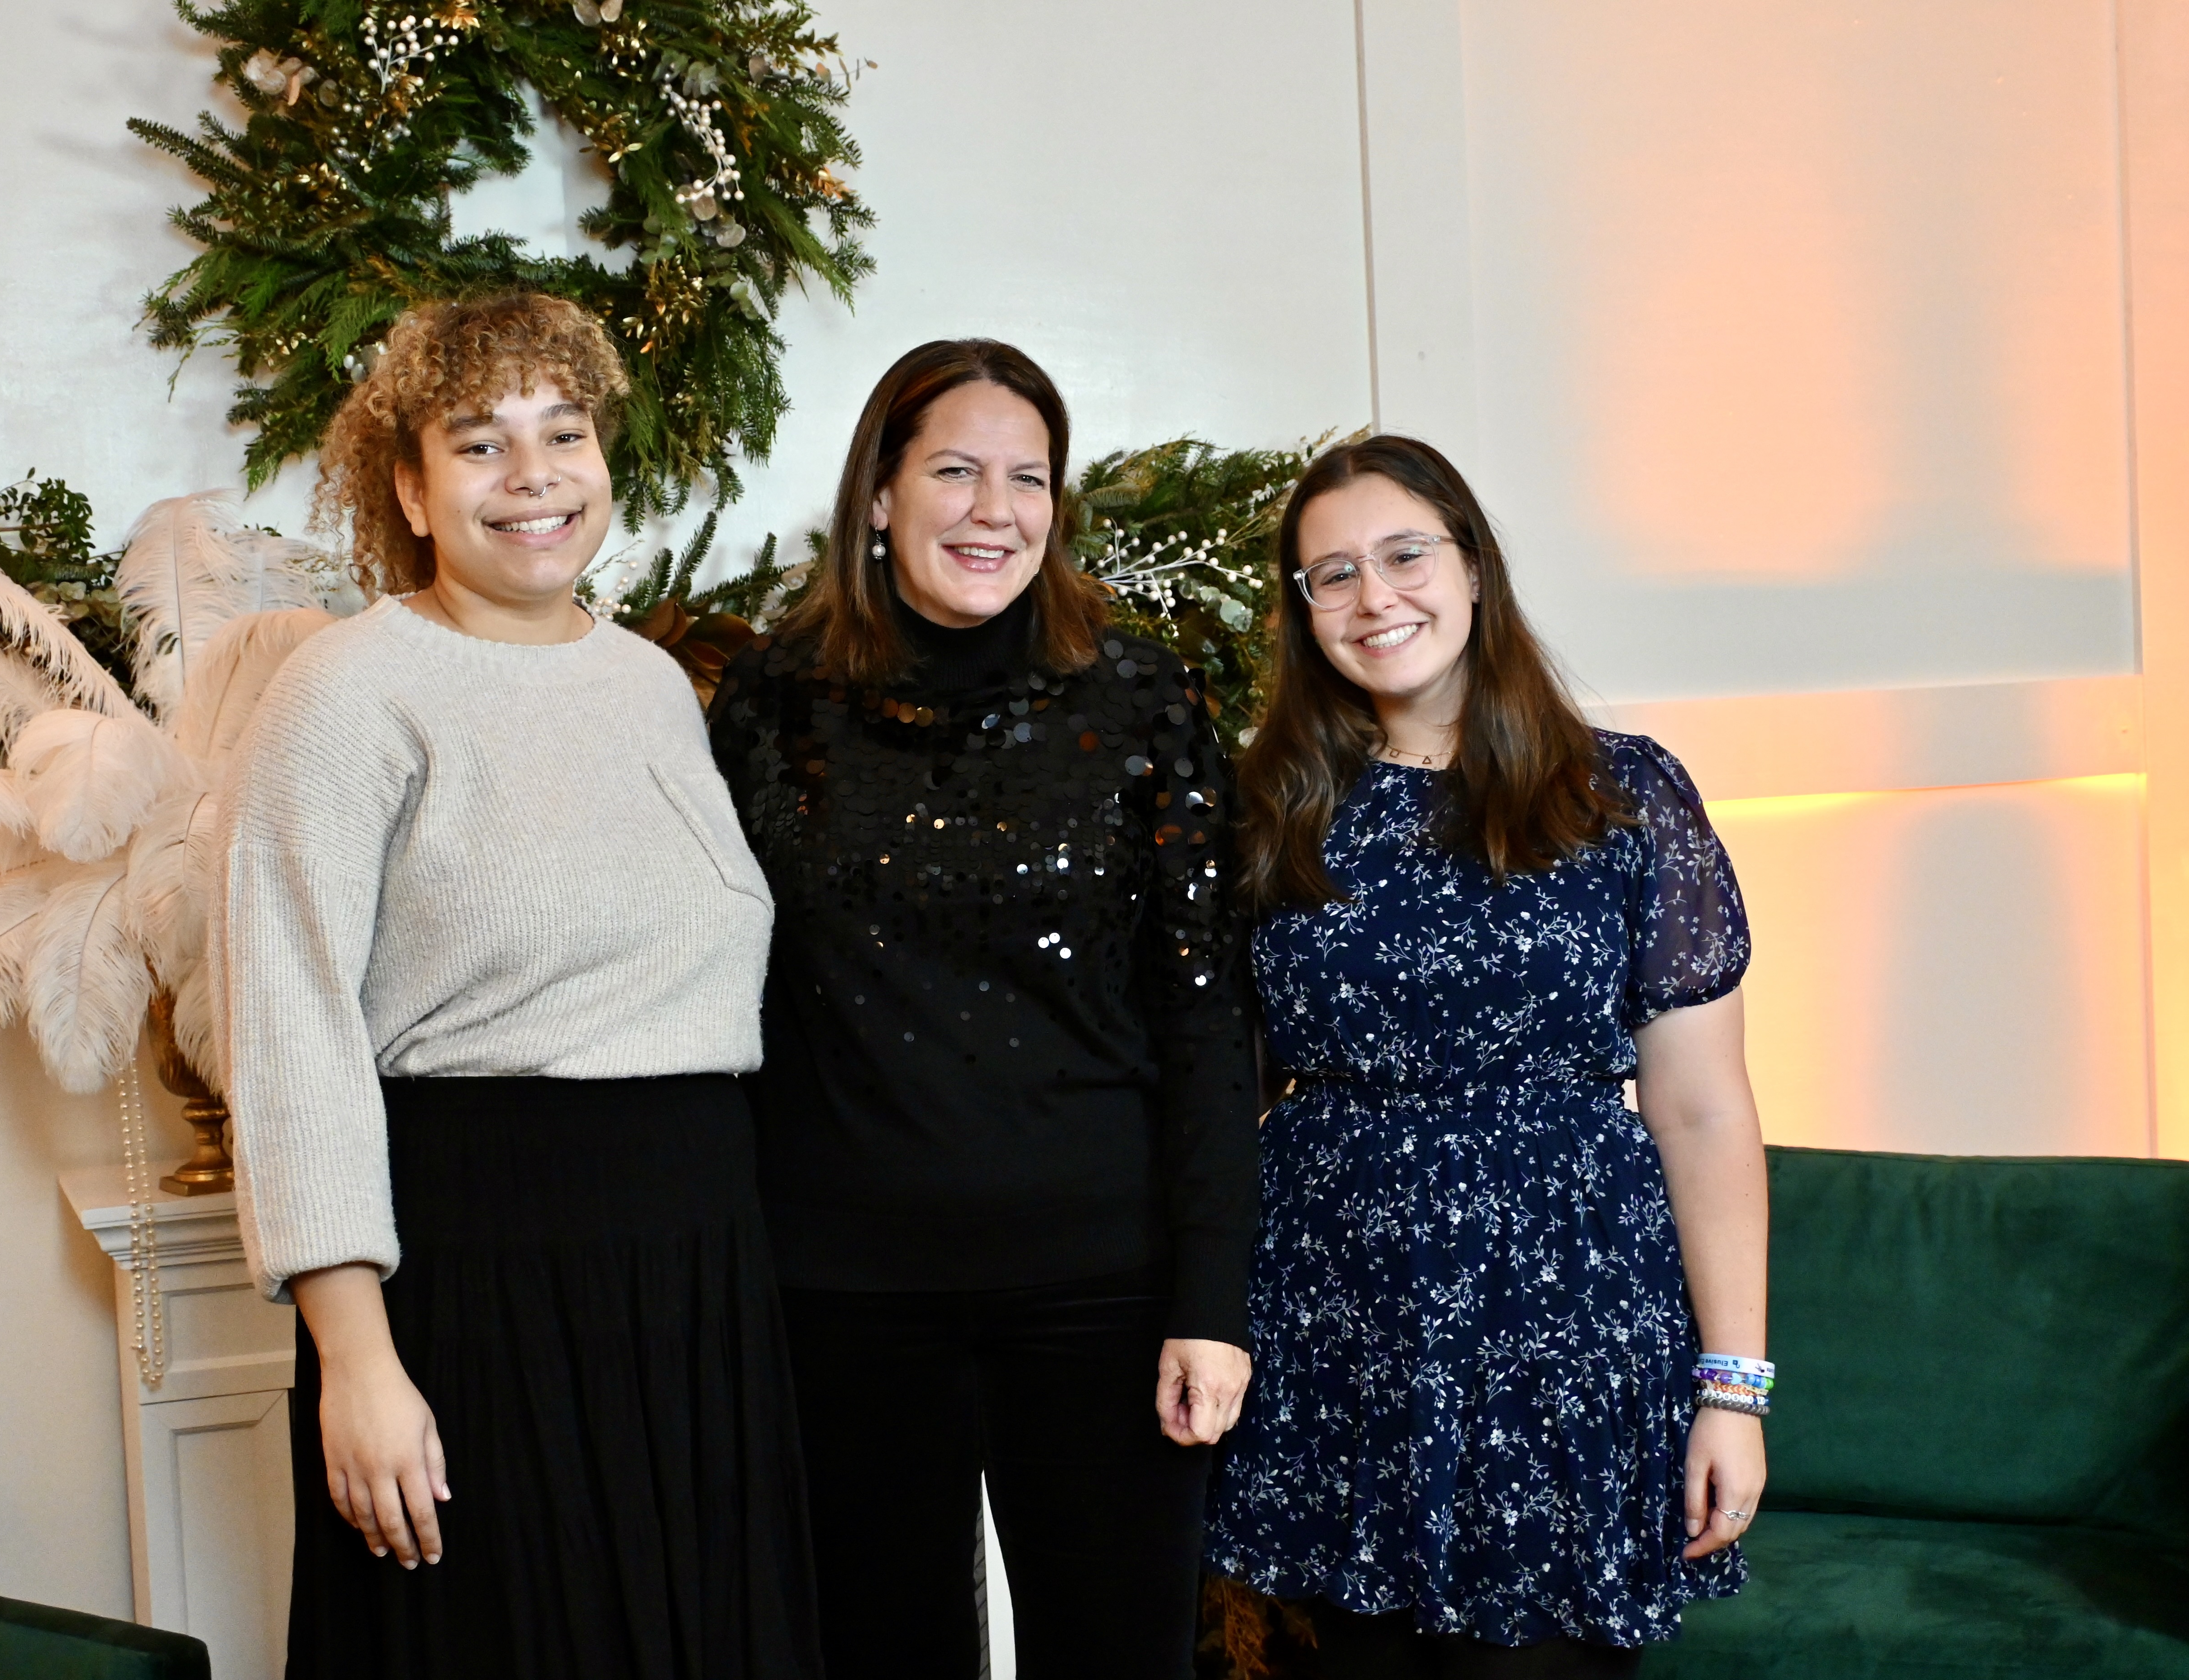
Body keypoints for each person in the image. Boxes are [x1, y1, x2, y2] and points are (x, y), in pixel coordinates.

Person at [215, 292, 822, 1679]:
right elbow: (292, 1027)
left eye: (564, 432)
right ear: (413, 490)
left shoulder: (653, 687)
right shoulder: (349, 692)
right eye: (480, 444)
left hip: (700, 1270)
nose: (534, 474)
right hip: (478, 1269)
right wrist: (357, 1366)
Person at [705, 338, 1262, 1679]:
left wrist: (1211, 1299)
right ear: (880, 496)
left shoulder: (1138, 698)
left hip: (1104, 1290)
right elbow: (723, 995)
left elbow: (1204, 1018)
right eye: (954, 470)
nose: (995, 510)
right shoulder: (774, 700)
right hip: (840, 1294)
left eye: (1029, 479)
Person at [1205, 436, 1770, 1677]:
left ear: (1472, 566)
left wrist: (1734, 1389)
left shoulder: (1621, 795)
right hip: (1333, 1329)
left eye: (1406, 554)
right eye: (1332, 575)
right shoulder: (1263, 808)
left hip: (1567, 1329)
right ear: (1304, 615)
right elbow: (1212, 1097)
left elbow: (1704, 1112)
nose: (1375, 597)